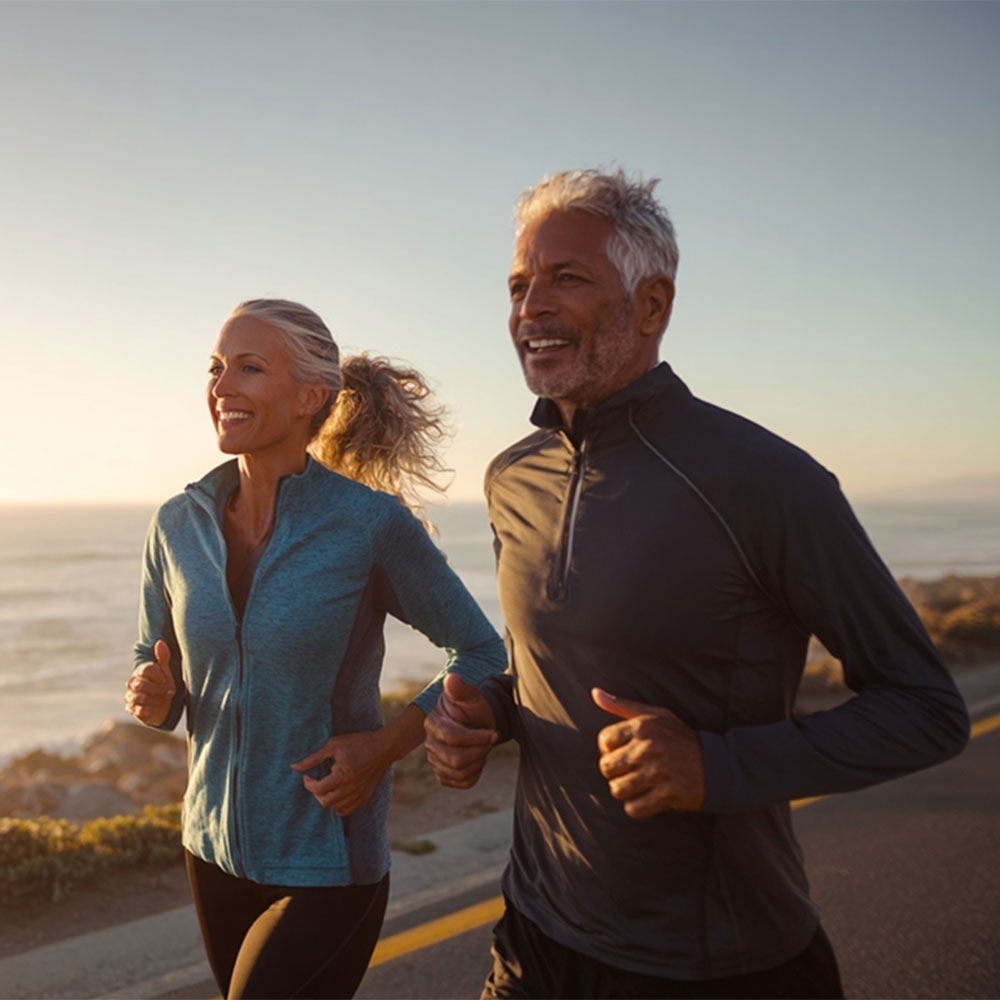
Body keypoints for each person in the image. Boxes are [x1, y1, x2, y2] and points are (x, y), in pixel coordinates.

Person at [423, 169, 970, 999]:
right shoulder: (511, 478)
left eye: (566, 278)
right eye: (518, 284)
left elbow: (926, 709)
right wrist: (490, 712)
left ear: (651, 306)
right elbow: (550, 665)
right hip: (535, 938)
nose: (530, 307)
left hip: (715, 964)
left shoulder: (766, 481)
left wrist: (716, 766)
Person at [124, 298, 505, 1000]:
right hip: (210, 849)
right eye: (215, 367)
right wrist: (154, 694)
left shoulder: (366, 525)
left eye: (248, 367)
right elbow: (160, 681)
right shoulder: (177, 525)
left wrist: (385, 746)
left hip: (327, 859)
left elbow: (481, 651)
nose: (221, 385)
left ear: (309, 397)